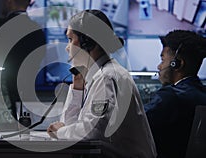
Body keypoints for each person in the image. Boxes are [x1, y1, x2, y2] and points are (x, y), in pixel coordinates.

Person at [47, 9, 157, 158]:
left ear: (87, 42)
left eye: (70, 39)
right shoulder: (100, 75)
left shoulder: (107, 77)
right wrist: (78, 89)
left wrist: (60, 132)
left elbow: (92, 133)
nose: (67, 47)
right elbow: (73, 128)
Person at [145, 30, 206, 158]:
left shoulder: (169, 97)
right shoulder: (202, 94)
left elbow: (135, 124)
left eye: (163, 60)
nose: (159, 66)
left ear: (177, 64)